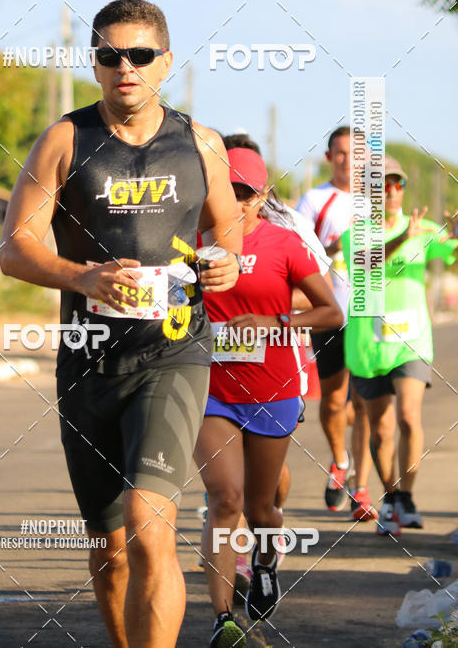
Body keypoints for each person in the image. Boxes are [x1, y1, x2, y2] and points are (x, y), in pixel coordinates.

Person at [0, 0, 243, 648]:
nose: (124, 67)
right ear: (95, 64)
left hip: (172, 351)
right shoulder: (65, 140)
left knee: (148, 519)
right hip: (88, 362)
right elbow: (13, 249)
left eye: (139, 55)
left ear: (165, 62)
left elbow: (228, 223)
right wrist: (81, 276)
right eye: (110, 56)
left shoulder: (200, 142)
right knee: (110, 550)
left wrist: (227, 262)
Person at [194, 147, 342, 644]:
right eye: (226, 191)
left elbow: (331, 313)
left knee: (261, 509)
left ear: (262, 197)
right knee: (224, 498)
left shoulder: (283, 245)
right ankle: (222, 619)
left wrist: (275, 321)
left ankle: (263, 561)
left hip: (271, 391)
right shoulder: (191, 244)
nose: (234, 202)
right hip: (210, 390)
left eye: (245, 193)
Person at [341, 156, 458, 534]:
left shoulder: (424, 229)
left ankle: (406, 497)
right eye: (382, 185)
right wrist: (400, 241)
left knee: (409, 416)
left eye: (397, 184)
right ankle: (390, 496)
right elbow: (362, 263)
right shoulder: (355, 232)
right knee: (382, 429)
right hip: (369, 344)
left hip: (412, 341)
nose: (391, 192)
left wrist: (455, 234)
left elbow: (449, 249)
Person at [296, 126, 373, 520]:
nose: (347, 160)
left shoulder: (377, 199)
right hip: (329, 312)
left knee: (364, 403)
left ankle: (361, 486)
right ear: (329, 157)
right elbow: (300, 255)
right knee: (334, 400)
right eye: (340, 153)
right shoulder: (314, 200)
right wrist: (333, 246)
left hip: (368, 316)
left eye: (354, 153)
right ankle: (340, 459)